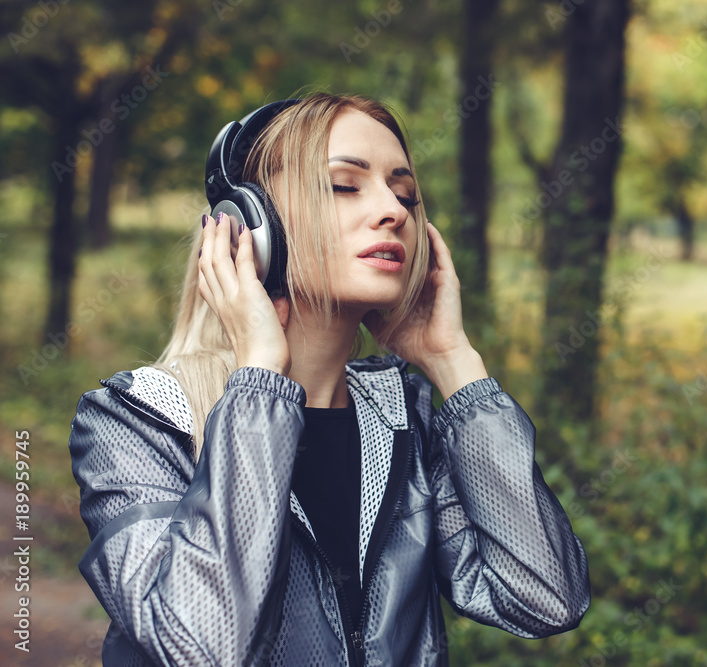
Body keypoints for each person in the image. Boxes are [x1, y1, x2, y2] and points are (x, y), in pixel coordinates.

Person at [68, 92, 590, 666]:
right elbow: (203, 646)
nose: (392, 209)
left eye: (405, 192)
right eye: (346, 184)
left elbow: (546, 599)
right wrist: (260, 378)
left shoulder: (404, 417)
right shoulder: (137, 418)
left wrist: (454, 363)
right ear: (250, 225)